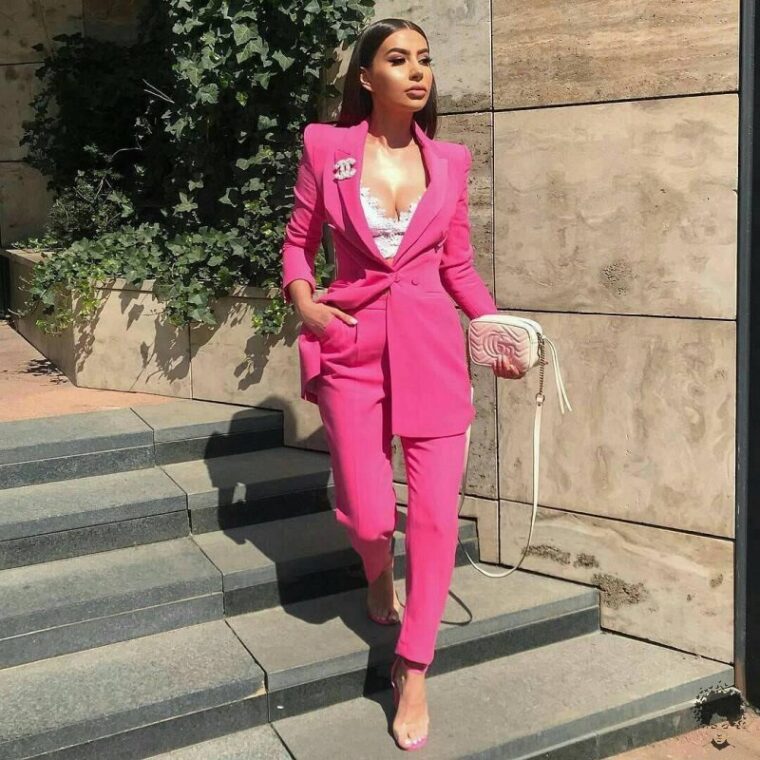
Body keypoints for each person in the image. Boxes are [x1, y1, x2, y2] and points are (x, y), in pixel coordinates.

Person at [281, 17, 517, 751]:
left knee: (438, 519)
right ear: (366, 76)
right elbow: (298, 242)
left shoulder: (450, 160)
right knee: (367, 516)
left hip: (432, 352)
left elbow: (457, 265)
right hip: (351, 346)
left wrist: (497, 328)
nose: (417, 71)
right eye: (397, 59)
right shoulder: (327, 148)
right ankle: (378, 570)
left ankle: (413, 667)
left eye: (424, 59)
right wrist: (306, 305)